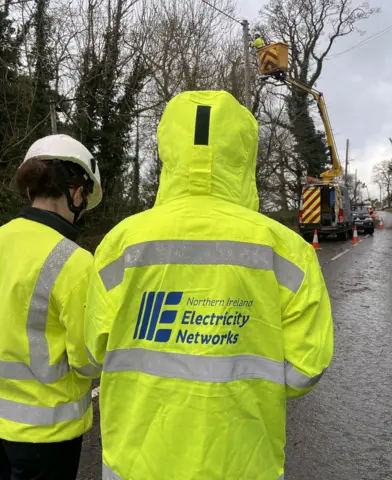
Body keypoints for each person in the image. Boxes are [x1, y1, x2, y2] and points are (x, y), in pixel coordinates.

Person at [84, 90, 334, 480]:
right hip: (241, 462)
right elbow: (306, 368)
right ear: (244, 152)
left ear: (169, 149)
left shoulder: (120, 242)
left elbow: (96, 351)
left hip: (136, 463)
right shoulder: (286, 249)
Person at [0, 134, 102, 480]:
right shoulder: (74, 262)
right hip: (47, 431)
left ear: (30, 189)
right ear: (75, 192)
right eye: (84, 196)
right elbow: (87, 360)